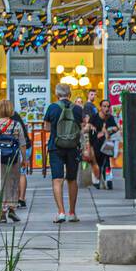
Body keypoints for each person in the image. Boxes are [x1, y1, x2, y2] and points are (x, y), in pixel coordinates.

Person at [44, 83, 84, 223]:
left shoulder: (52, 108)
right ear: (70, 94)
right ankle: (72, 212)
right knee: (72, 179)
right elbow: (82, 128)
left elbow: (47, 128)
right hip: (73, 147)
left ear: (56, 94)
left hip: (56, 147)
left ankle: (61, 212)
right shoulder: (78, 109)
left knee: (57, 179)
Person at [0, 99, 28, 222]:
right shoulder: (16, 125)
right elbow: (22, 144)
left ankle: (1, 213)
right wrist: (25, 159)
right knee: (13, 183)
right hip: (13, 157)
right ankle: (12, 209)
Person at [90, 102, 120, 190]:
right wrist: (91, 127)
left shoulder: (110, 117)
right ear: (100, 107)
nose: (106, 108)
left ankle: (108, 180)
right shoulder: (94, 117)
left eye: (108, 106)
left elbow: (115, 128)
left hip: (106, 143)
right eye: (104, 106)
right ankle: (97, 181)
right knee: (97, 162)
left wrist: (108, 131)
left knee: (107, 163)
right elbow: (88, 125)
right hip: (96, 143)